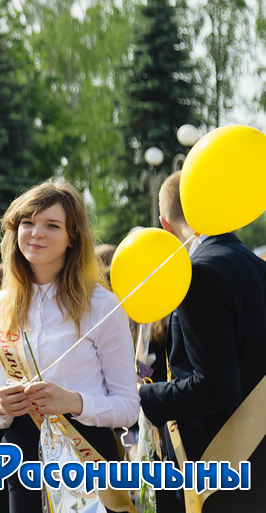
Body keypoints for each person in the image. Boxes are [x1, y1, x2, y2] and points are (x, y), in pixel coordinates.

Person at [0, 180, 139, 513]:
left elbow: (128, 406)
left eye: (52, 225)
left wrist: (75, 402)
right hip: (23, 460)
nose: (36, 233)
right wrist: (0, 405)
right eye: (28, 223)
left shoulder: (102, 305)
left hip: (87, 457)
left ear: (72, 237)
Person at [138, 172, 266, 513]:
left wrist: (145, 396)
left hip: (222, 469)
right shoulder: (255, 265)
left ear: (165, 225)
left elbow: (216, 388)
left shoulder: (198, 274)